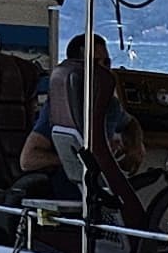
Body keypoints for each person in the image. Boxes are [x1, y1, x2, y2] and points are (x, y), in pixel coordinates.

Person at [18, 32, 135, 193]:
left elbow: (130, 124)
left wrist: (136, 147)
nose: (103, 69)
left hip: (105, 186)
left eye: (106, 62)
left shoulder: (111, 105)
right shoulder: (60, 107)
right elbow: (28, 159)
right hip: (72, 190)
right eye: (95, 63)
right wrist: (73, 161)